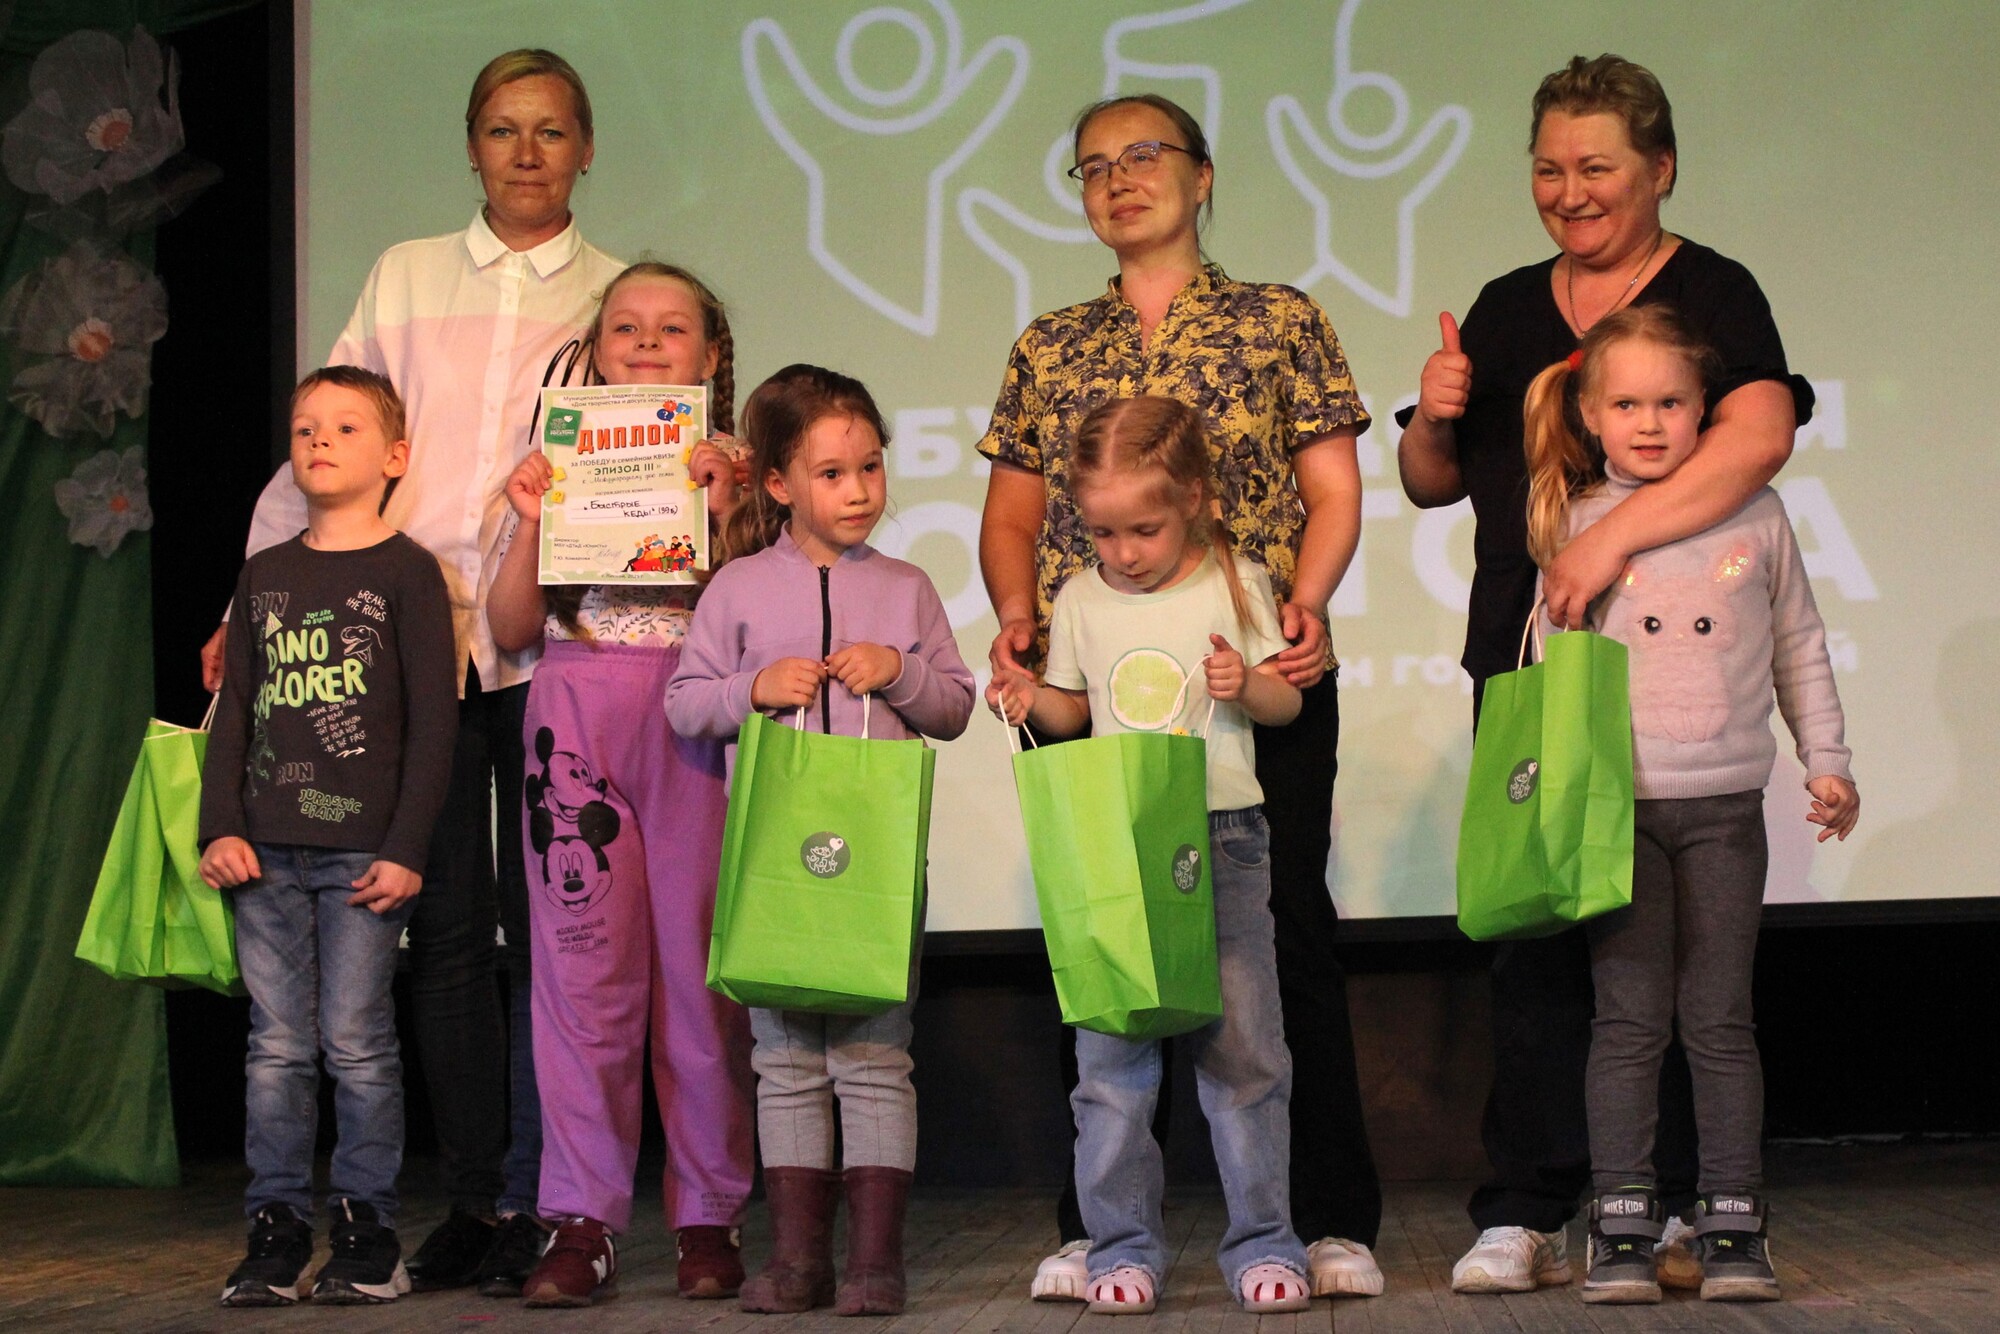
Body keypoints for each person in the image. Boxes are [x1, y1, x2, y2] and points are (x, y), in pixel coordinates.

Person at [201, 49, 625, 1294]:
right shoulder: (404, 272)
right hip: (397, 656)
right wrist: (246, 603)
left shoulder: (610, 294)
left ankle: (545, 1197)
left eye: (551, 130)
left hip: (551, 641)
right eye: (501, 129)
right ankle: (472, 1201)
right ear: (472, 145)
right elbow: (331, 439)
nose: (526, 152)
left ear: (586, 147)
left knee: (552, 937)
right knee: (439, 935)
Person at [1393, 54, 1817, 1295]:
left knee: (1675, 969)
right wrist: (1431, 415)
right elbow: (1430, 482)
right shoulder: (1504, 304)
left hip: (1677, 689)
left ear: (1658, 168)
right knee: (1537, 942)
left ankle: (1674, 1204)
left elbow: (1758, 436)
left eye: (1595, 167)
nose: (1567, 191)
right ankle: (1527, 1205)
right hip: (1533, 666)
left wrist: (1604, 541)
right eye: (1546, 168)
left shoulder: (1712, 292)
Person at [976, 92, 1381, 1300]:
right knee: (1104, 949)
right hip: (1094, 684)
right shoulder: (1049, 343)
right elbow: (1011, 513)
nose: (1118, 177)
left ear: (1202, 176)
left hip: (1251, 670)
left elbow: (1332, 488)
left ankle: (1320, 1217)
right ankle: (1099, 1230)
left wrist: (1302, 606)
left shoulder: (1277, 319)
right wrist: (1017, 617)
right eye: (1092, 165)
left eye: (1144, 154)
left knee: (1282, 944)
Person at [1520, 305, 1858, 1303]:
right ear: (1589, 413)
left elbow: (1798, 641)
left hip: (1725, 808)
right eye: (1626, 403)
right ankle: (1621, 1220)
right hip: (1616, 811)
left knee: (1718, 1020)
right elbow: (1554, 672)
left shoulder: (1757, 513)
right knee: (1628, 1022)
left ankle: (1731, 1219)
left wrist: (1827, 759)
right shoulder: (1576, 521)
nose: (1650, 422)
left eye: (1670, 402)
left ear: (1705, 407)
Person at [989, 395, 1313, 1315]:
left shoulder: (1237, 582)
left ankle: (1264, 1242)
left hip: (1223, 836)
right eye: (1103, 532)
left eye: (1144, 530)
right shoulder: (1080, 598)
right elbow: (1073, 711)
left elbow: (1286, 705)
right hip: (1117, 845)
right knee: (1112, 1065)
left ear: (1195, 500)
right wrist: (1027, 699)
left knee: (1244, 1054)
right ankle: (1122, 1246)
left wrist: (1246, 684)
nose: (1124, 552)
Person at [666, 365, 976, 1316]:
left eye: (871, 467)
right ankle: (799, 1262)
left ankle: (876, 1263)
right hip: (774, 855)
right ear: (778, 484)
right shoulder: (737, 588)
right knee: (787, 1060)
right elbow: (685, 704)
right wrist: (752, 689)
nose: (858, 489)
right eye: (833, 473)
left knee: (876, 1055)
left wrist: (900, 672)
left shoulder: (908, 588)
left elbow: (955, 706)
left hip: (878, 858)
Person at [484, 263, 755, 1307]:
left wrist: (721, 508)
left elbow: (758, 617)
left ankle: (707, 1214)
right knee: (580, 976)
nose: (646, 342)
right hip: (575, 711)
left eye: (672, 328)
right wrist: (528, 519)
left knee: (699, 976)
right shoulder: (554, 463)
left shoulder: (743, 469)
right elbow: (511, 626)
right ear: (594, 352)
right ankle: (580, 1218)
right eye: (625, 327)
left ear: (711, 355)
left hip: (695, 718)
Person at [200, 367, 457, 1307]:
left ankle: (366, 1233)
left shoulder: (408, 571)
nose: (319, 440)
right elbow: (236, 711)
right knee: (276, 1045)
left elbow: (433, 724)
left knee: (355, 1041)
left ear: (394, 457)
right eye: (306, 426)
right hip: (266, 851)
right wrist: (220, 824)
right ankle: (274, 1232)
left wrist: (407, 847)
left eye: (346, 427)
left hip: (362, 856)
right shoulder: (265, 574)